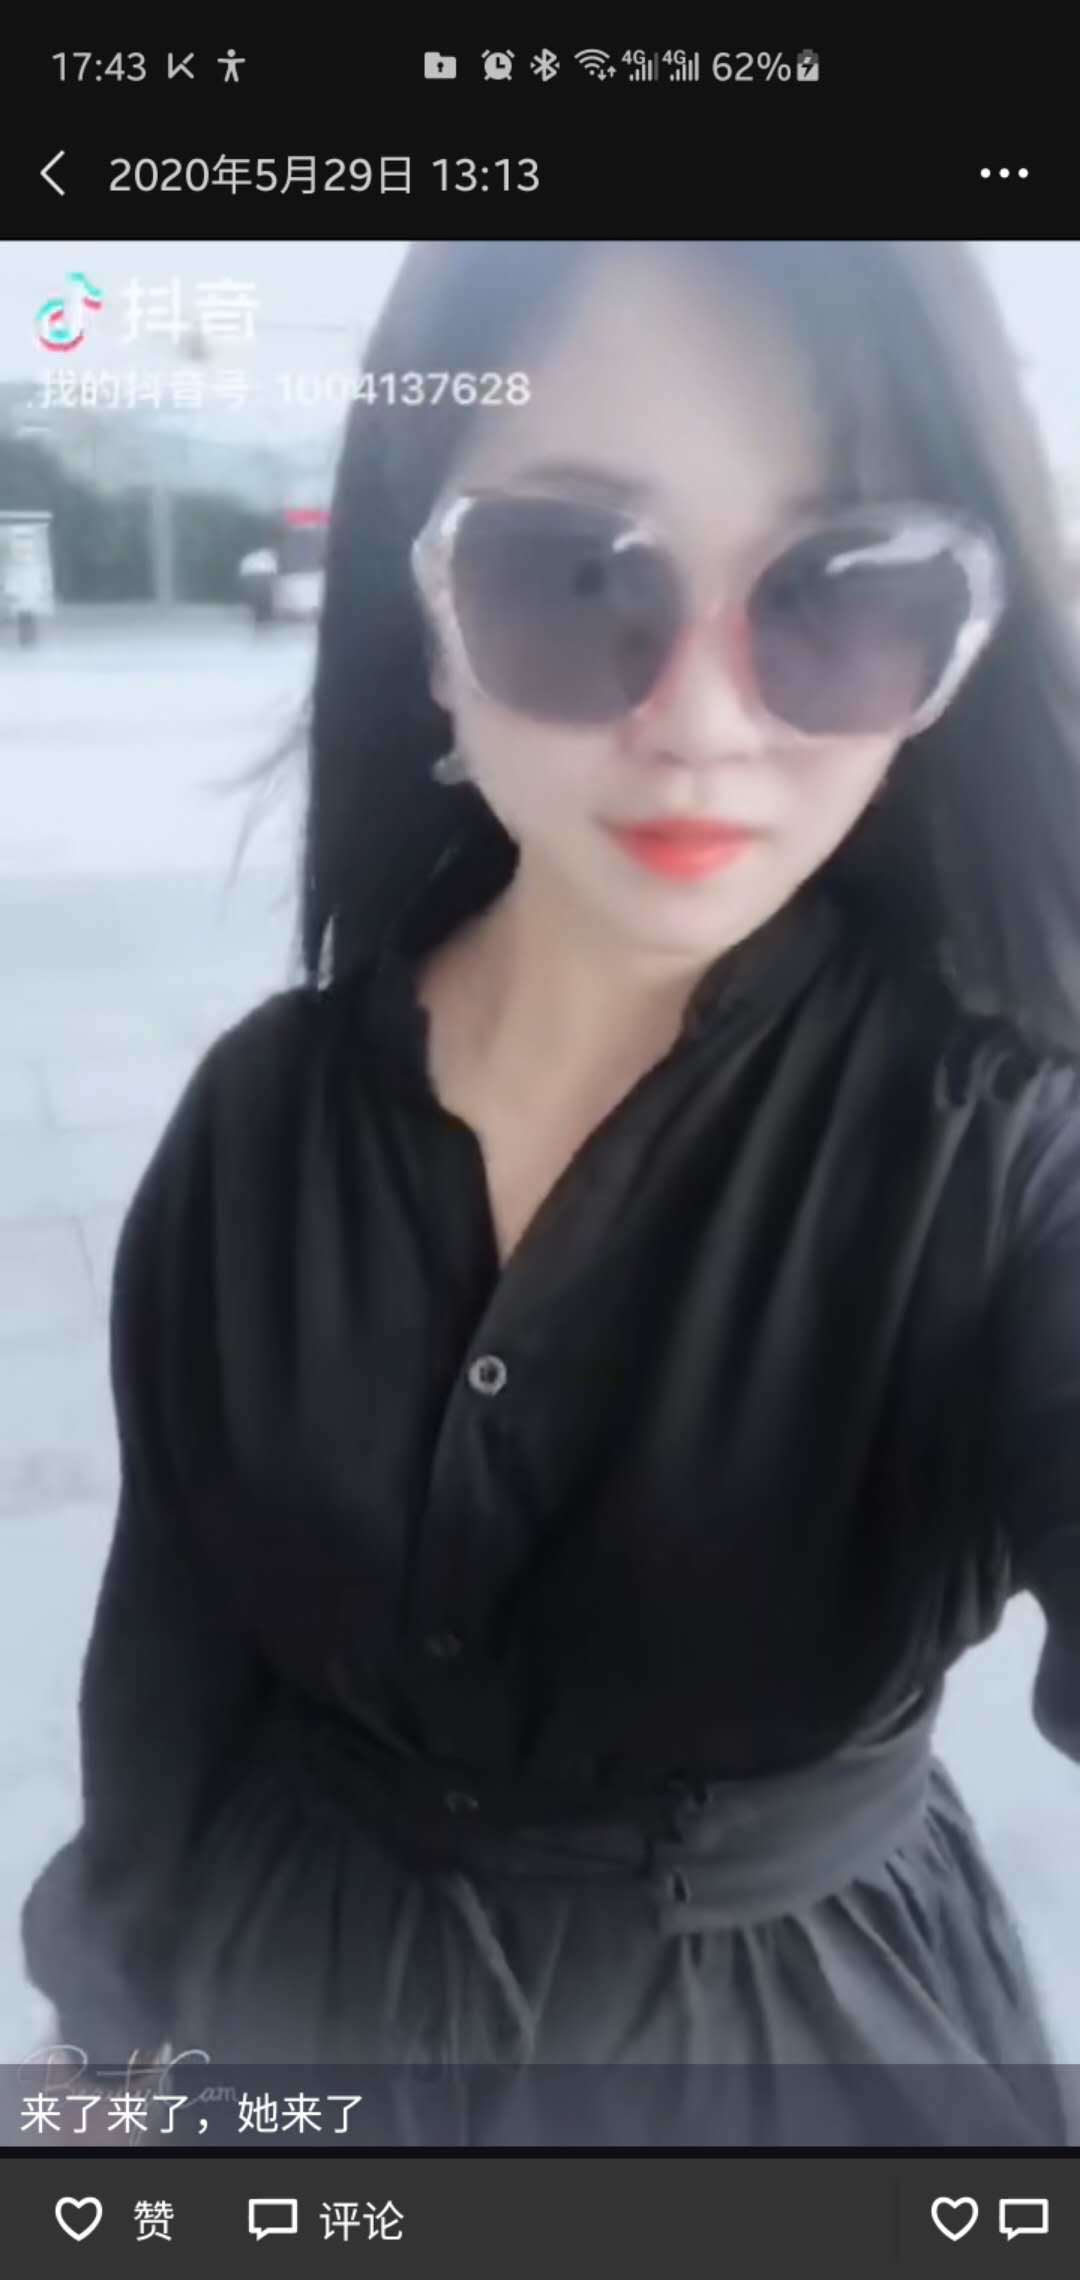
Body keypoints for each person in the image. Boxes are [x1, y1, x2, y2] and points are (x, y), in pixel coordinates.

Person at [20, 240, 1080, 2148]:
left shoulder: (1004, 1158)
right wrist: (104, 2084)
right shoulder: (265, 1115)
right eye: (574, 575)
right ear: (427, 618)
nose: (702, 718)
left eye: (846, 594)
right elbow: (168, 1677)